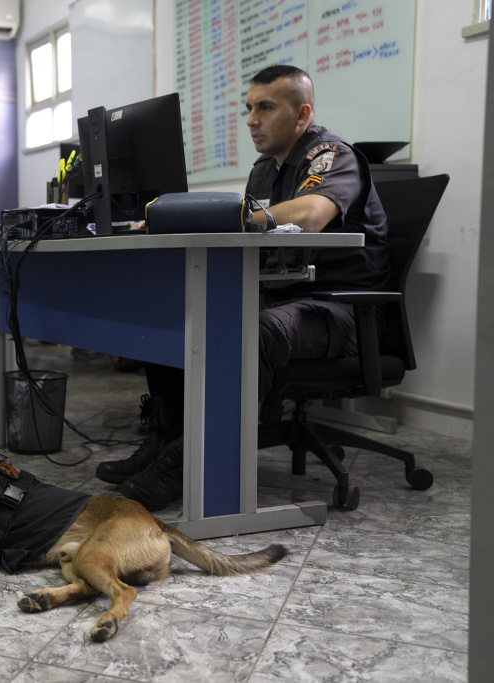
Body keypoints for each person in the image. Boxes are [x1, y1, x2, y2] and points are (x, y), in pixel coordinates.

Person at [98, 64, 390, 511]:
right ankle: (165, 441)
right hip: (282, 297)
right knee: (177, 313)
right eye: (249, 108)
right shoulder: (263, 171)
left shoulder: (332, 155)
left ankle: (189, 459)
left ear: (301, 114)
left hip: (339, 310)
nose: (251, 119)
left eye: (265, 107)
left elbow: (311, 215)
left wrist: (232, 216)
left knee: (254, 331)